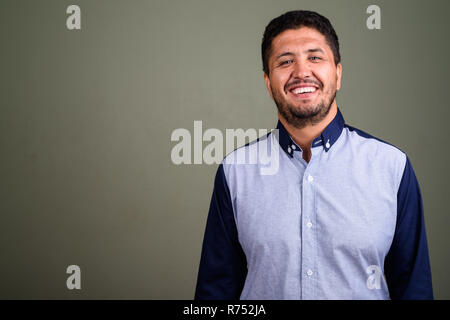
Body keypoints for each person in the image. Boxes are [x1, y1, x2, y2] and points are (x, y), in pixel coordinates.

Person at [194, 10, 433, 300]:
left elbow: (414, 289)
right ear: (269, 83)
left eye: (315, 57)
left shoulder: (392, 167)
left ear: (338, 73)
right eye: (285, 61)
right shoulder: (236, 171)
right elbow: (215, 293)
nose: (301, 72)